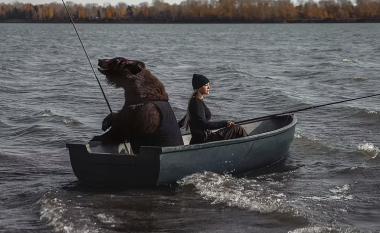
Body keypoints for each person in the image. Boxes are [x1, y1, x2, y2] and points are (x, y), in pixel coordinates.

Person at [178, 74, 248, 145]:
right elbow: (204, 124)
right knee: (238, 129)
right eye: (206, 85)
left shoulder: (195, 101)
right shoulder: (196, 102)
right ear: (199, 87)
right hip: (205, 139)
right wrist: (225, 123)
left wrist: (172, 127)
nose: (209, 87)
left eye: (209, 84)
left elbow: (184, 120)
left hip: (202, 137)